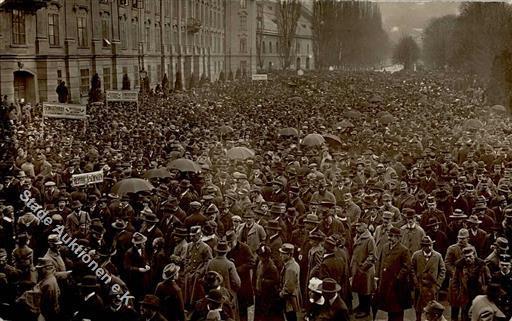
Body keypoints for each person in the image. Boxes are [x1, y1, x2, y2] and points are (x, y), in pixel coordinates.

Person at [375, 226, 413, 321]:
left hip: (398, 286)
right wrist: (378, 276)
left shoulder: (404, 250)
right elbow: (380, 262)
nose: (389, 238)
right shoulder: (385, 247)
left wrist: (398, 277)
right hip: (386, 284)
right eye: (389, 235)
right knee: (389, 308)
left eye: (392, 236)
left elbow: (407, 267)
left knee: (397, 309)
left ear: (398, 238)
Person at [449, 246, 491, 321]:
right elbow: (454, 282)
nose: (468, 259)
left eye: (470, 256)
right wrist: (458, 294)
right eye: (466, 257)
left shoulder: (482, 265)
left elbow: (489, 280)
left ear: (474, 255)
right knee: (465, 315)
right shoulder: (460, 266)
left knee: (479, 315)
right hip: (465, 294)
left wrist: (485, 291)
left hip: (479, 294)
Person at [411, 236, 446, 321]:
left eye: (431, 245)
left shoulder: (437, 256)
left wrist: (438, 285)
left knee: (433, 310)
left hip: (432, 288)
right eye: (426, 245)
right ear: (422, 246)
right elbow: (412, 269)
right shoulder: (416, 255)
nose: (429, 247)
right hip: (420, 287)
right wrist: (416, 282)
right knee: (418, 309)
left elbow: (443, 270)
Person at [350, 221, 376, 319]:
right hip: (358, 268)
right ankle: (361, 306)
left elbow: (372, 256)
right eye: (357, 226)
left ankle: (366, 310)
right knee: (360, 289)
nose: (357, 227)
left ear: (365, 227)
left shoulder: (369, 239)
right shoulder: (358, 236)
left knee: (366, 290)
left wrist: (363, 267)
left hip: (366, 270)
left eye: (359, 226)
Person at [279, 243, 301, 321]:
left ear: (289, 255)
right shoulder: (293, 264)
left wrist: (281, 294)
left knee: (290, 317)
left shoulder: (290, 269)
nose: (281, 256)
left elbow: (289, 287)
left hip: (290, 299)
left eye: (283, 254)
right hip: (292, 296)